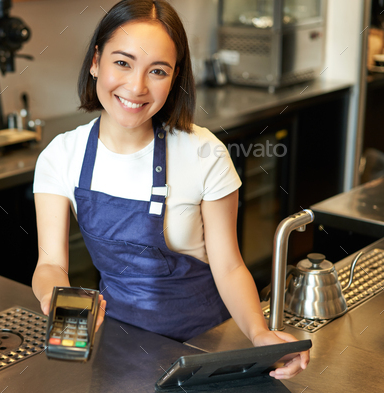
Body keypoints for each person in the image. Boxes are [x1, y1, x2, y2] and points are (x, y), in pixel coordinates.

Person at [32, 0, 309, 380]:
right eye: (122, 62)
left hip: (207, 347)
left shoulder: (204, 151)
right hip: (118, 344)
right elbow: (50, 264)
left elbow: (228, 266)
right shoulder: (61, 156)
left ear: (175, 77)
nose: (137, 86)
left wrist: (259, 334)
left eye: (157, 70)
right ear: (96, 61)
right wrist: (57, 298)